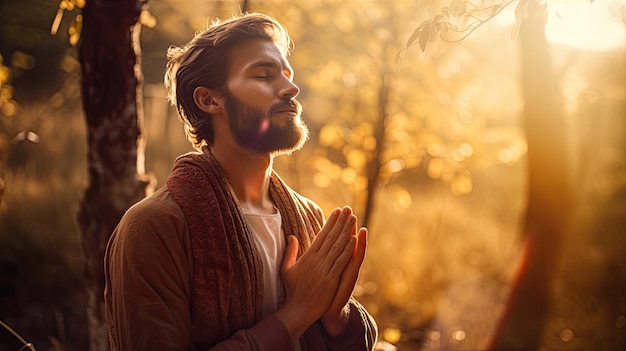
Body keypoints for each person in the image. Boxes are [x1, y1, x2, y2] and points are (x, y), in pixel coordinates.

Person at [103, 12, 378, 351]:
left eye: (288, 75)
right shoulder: (155, 227)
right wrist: (296, 313)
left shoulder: (308, 218)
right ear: (209, 100)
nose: (291, 88)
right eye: (264, 75)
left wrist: (337, 316)